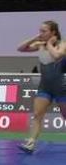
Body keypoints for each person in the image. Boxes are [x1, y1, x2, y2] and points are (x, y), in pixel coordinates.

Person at [16, 19, 66, 153]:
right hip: (45, 86)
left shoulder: (62, 44)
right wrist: (35, 38)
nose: (41, 33)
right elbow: (20, 48)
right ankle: (30, 143)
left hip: (61, 87)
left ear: (53, 32)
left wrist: (49, 44)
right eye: (40, 31)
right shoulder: (39, 45)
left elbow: (57, 55)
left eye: (44, 31)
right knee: (37, 115)